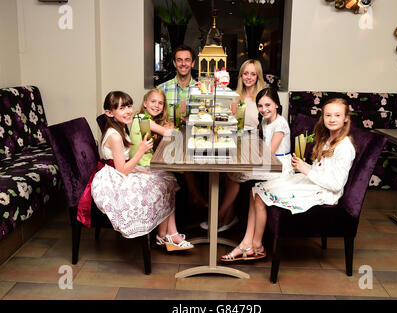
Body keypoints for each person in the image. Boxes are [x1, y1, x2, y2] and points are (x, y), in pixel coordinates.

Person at [221, 97, 356, 261]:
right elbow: (324, 170)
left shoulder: (345, 147)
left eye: (337, 115)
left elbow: (336, 184)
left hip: (324, 193)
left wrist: (307, 171)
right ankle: (247, 243)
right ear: (323, 117)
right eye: (328, 115)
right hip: (313, 182)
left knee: (261, 194)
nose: (332, 119)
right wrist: (304, 167)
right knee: (255, 190)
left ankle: (255, 245)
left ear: (346, 118)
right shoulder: (328, 139)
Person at [91, 91, 193, 251]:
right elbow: (122, 170)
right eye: (121, 108)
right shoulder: (115, 136)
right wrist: (141, 150)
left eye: (129, 106)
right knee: (162, 183)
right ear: (109, 113)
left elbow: (123, 163)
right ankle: (168, 235)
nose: (128, 111)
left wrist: (138, 170)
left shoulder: (121, 128)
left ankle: (167, 234)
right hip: (114, 180)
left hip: (122, 171)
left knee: (166, 178)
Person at [200, 88, 292, 232]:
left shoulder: (280, 124)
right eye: (260, 106)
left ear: (277, 105)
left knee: (234, 173)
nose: (264, 109)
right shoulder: (266, 122)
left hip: (278, 167)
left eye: (268, 105)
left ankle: (219, 216)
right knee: (231, 173)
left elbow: (269, 153)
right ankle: (226, 216)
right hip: (268, 163)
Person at [158, 44, 207, 209]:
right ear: (174, 63)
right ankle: (197, 199)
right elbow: (156, 119)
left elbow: (206, 117)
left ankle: (199, 200)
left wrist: (186, 118)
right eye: (179, 60)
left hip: (197, 141)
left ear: (193, 63)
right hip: (170, 142)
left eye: (187, 60)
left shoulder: (202, 89)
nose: (183, 63)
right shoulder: (162, 90)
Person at [233, 59, 266, 129]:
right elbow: (234, 124)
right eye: (245, 73)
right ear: (241, 76)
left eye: (253, 74)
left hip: (257, 138)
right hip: (239, 137)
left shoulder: (264, 98)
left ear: (258, 77)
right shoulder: (236, 97)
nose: (249, 77)